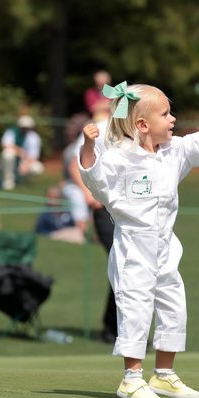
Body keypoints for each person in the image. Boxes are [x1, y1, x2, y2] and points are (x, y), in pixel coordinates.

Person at [78, 81, 199, 398]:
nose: (173, 119)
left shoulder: (171, 152)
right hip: (133, 249)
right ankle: (131, 379)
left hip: (166, 248)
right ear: (142, 125)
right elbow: (92, 177)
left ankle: (164, 375)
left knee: (173, 308)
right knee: (135, 310)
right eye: (165, 114)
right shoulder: (120, 159)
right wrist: (86, 144)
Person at [67, 98, 116, 343]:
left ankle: (120, 327)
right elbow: (75, 164)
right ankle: (113, 327)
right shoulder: (99, 127)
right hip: (104, 208)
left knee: (128, 266)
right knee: (121, 263)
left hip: (125, 207)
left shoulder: (126, 129)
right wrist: (88, 194)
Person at [0, 115, 44, 190]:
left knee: (37, 168)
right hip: (13, 159)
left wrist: (26, 164)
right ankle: (9, 180)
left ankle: (25, 180)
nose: (25, 129)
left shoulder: (34, 137)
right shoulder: (11, 132)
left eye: (27, 127)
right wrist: (20, 152)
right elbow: (6, 145)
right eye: (23, 127)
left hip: (25, 161)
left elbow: (34, 156)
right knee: (8, 154)